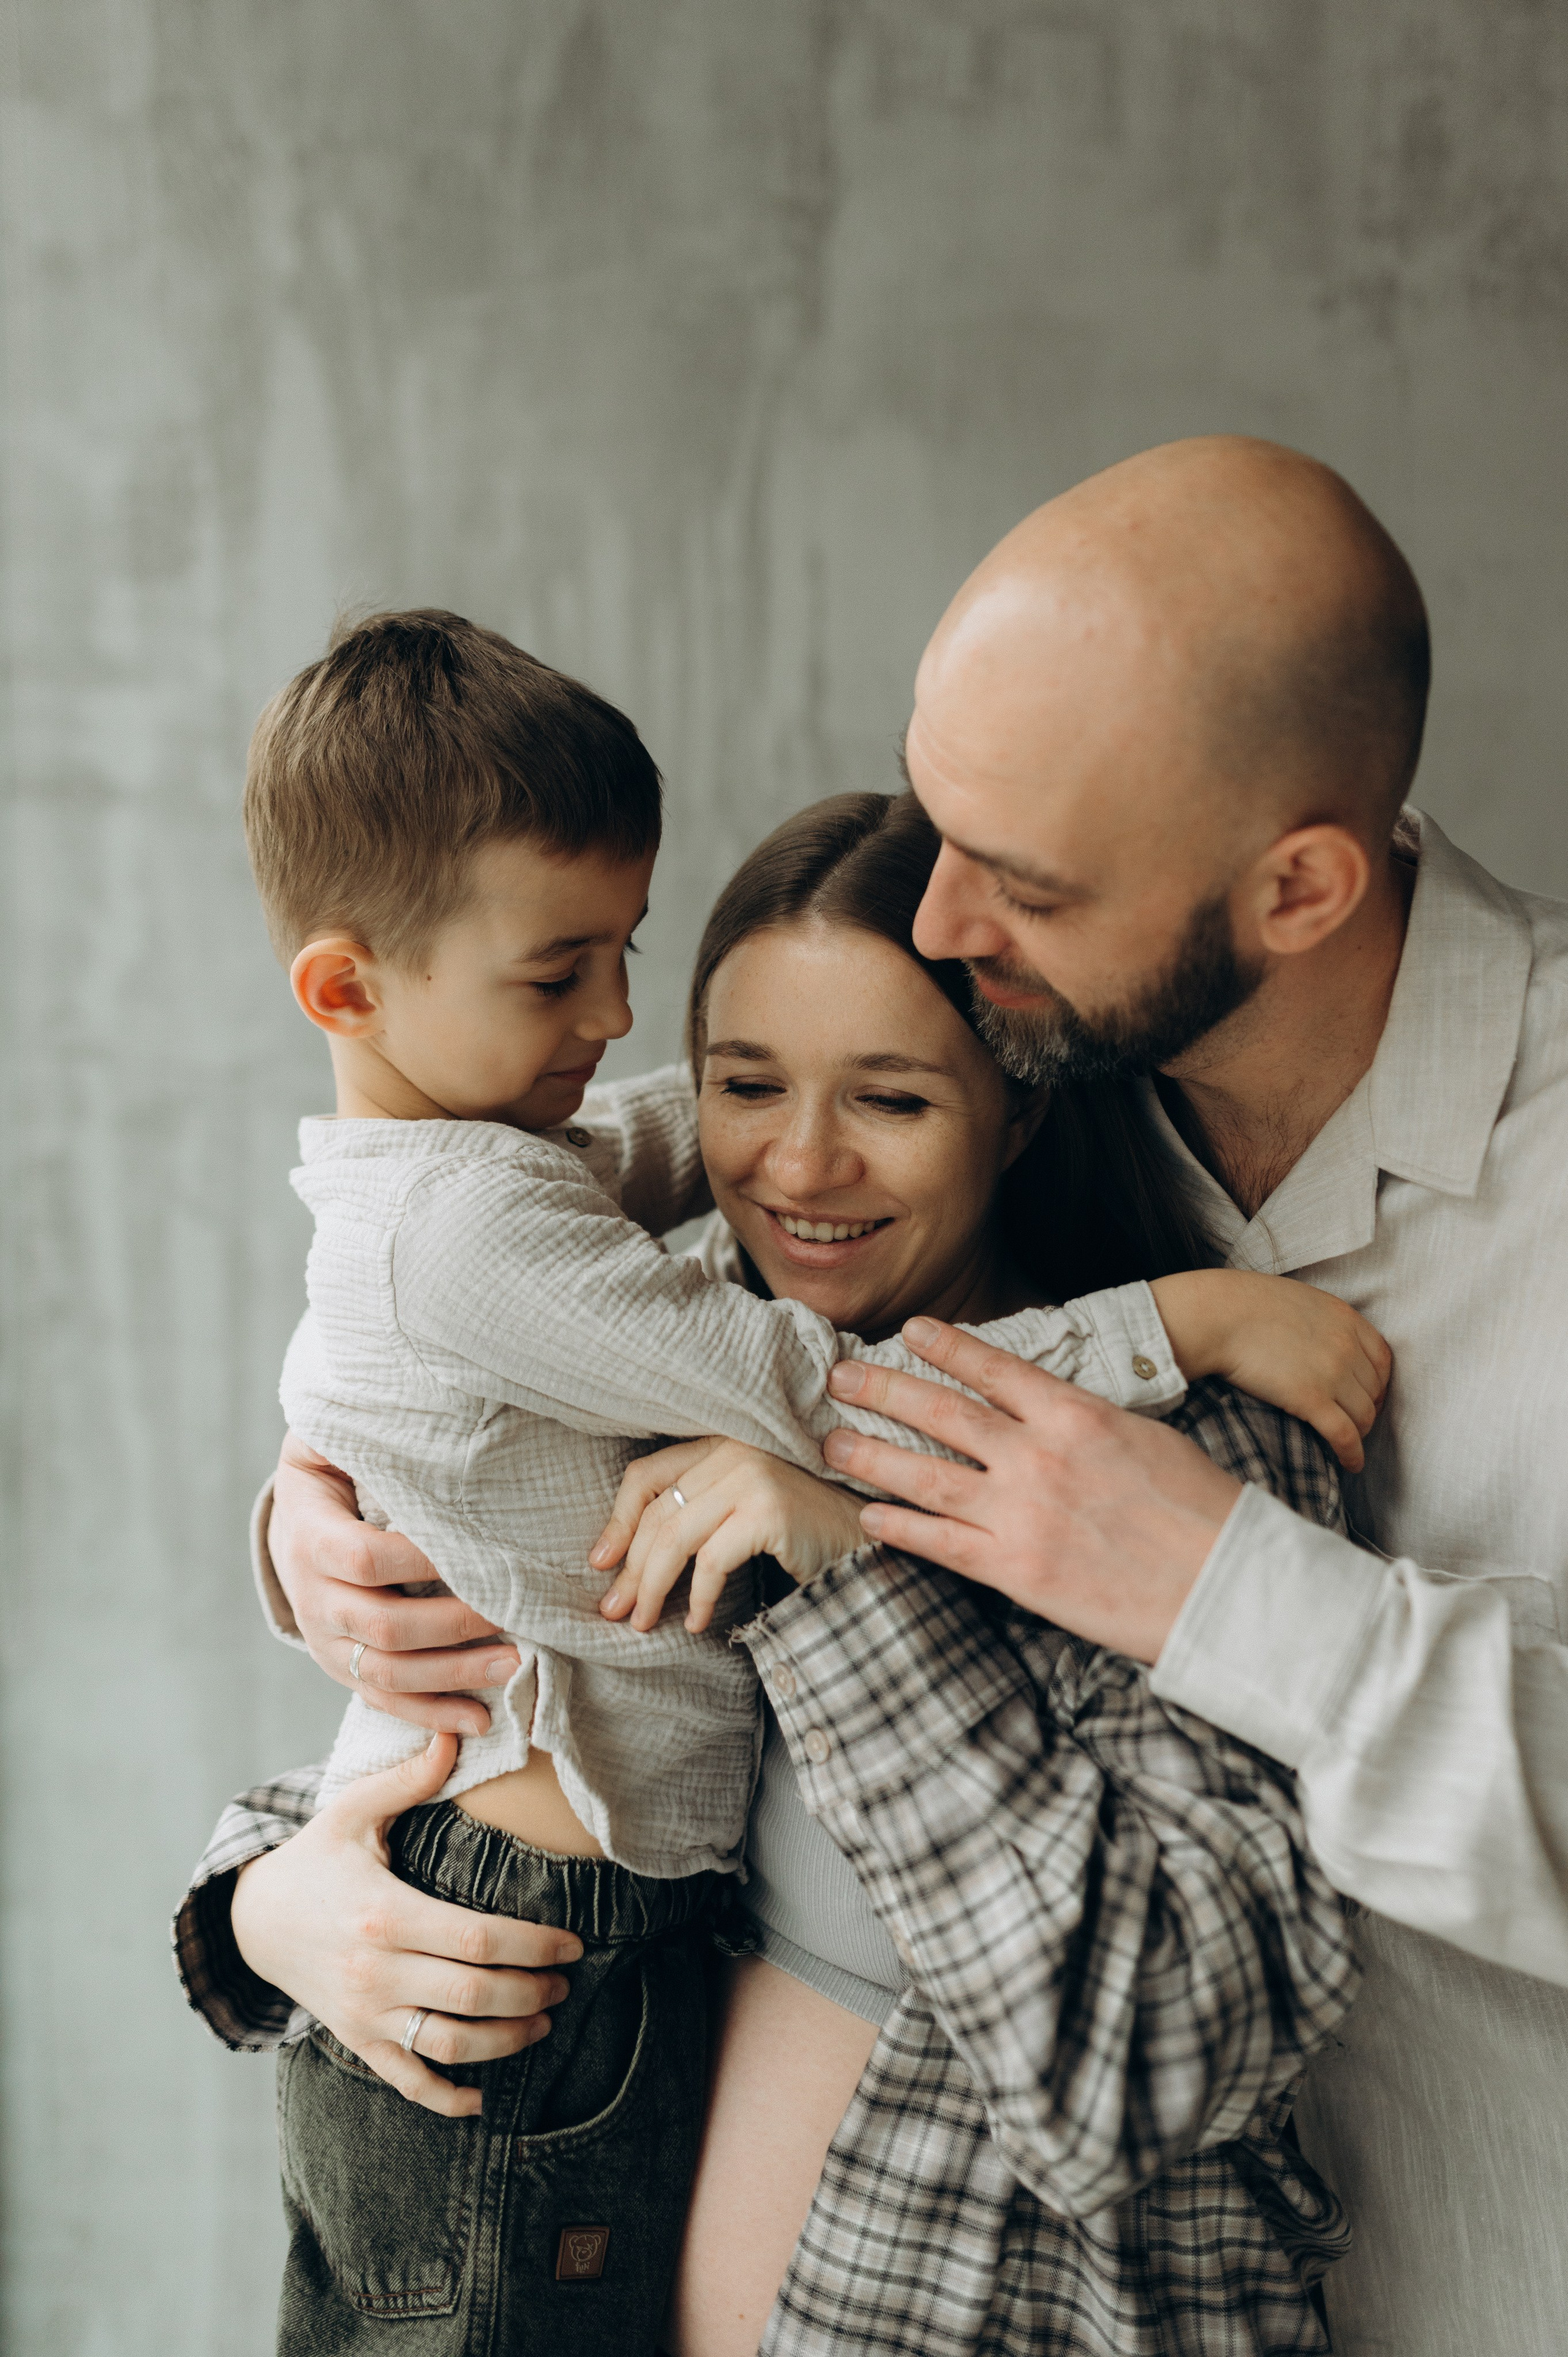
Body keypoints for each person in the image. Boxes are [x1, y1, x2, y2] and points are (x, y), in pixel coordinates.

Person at [227, 617, 1374, 2354]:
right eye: (748, 1085)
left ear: (1020, 1111)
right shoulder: (671, 1359)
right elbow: (449, 1759)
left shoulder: (1192, 1446)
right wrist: (269, 1906)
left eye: (894, 1098)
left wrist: (848, 1575)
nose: (797, 1163)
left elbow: (1156, 2049)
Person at [804, 435, 1568, 2356]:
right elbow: (630, 1188)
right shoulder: (1015, 1049)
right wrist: (338, 1481)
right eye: (936, 816)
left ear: (1301, 885)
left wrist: (1215, 1587)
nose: (939, 923)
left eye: (1026, 883)